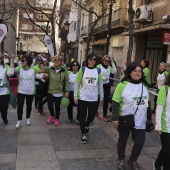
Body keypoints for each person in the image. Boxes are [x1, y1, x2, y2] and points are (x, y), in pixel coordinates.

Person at [112, 62, 149, 170]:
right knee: (123, 140)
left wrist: (149, 119)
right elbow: (115, 102)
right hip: (125, 118)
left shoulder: (145, 86)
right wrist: (115, 118)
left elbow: (148, 103)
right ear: (130, 73)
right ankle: (121, 159)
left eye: (139, 71)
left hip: (140, 120)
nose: (138, 73)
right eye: (135, 71)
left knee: (140, 141)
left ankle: (132, 160)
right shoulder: (122, 85)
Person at [74, 53, 104, 144]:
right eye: (90, 59)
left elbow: (100, 84)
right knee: (82, 116)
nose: (92, 61)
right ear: (87, 60)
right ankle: (83, 134)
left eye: (94, 59)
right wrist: (75, 96)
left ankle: (87, 124)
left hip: (94, 98)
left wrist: (101, 97)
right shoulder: (82, 70)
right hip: (83, 96)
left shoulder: (98, 71)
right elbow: (77, 83)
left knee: (91, 115)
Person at [9, 55, 44, 128]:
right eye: (21, 60)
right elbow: (11, 72)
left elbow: (42, 70)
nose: (21, 62)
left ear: (28, 61)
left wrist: (41, 62)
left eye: (23, 60)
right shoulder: (19, 68)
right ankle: (19, 120)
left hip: (30, 92)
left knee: (29, 106)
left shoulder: (33, 68)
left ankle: (28, 118)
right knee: (20, 106)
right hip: (21, 91)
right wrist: (12, 61)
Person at [45, 55, 69, 126]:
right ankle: (52, 115)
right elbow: (42, 69)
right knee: (49, 105)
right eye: (55, 60)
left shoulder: (64, 70)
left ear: (61, 61)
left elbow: (67, 81)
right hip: (51, 90)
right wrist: (42, 62)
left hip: (60, 91)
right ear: (53, 61)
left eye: (59, 59)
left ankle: (57, 119)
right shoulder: (50, 68)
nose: (57, 61)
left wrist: (66, 91)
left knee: (57, 106)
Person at [154, 74, 170, 170]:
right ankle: (157, 164)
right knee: (167, 150)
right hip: (166, 124)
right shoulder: (165, 89)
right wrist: (158, 125)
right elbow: (159, 108)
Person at [96, 55, 118, 122]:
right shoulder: (99, 66)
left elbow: (115, 71)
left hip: (107, 86)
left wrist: (112, 62)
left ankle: (104, 115)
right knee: (98, 99)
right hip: (99, 85)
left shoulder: (109, 67)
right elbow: (95, 75)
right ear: (102, 60)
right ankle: (96, 113)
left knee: (106, 101)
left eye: (108, 61)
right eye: (105, 60)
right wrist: (102, 78)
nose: (106, 62)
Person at [0, 54, 14, 125]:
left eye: (0, 58)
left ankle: (4, 117)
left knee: (4, 106)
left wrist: (12, 61)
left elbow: (10, 73)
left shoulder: (5, 67)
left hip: (4, 91)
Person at [141, 59, 154, 132]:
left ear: (145, 63)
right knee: (144, 105)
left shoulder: (146, 70)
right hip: (143, 90)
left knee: (147, 106)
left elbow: (142, 77)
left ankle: (149, 123)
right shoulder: (143, 69)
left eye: (142, 62)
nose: (141, 63)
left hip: (145, 89)